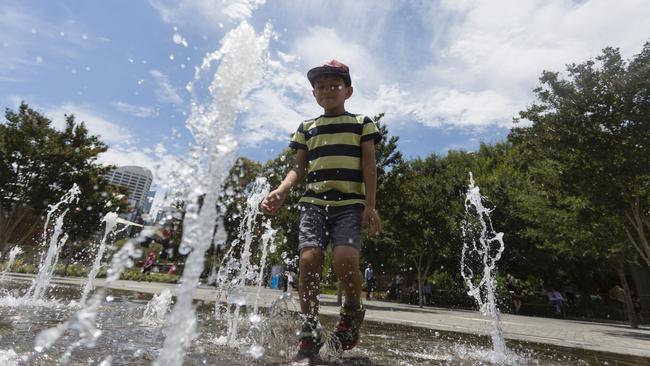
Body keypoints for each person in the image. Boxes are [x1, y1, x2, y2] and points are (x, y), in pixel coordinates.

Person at [261, 59, 382, 363]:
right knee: (309, 258)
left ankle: (352, 313)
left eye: (334, 85)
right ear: (313, 93)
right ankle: (309, 329)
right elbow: (298, 168)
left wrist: (370, 205)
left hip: (350, 205)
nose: (327, 90)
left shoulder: (362, 123)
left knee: (345, 258)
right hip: (314, 203)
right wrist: (281, 191)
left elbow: (369, 165)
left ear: (348, 91)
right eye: (321, 86)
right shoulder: (307, 128)